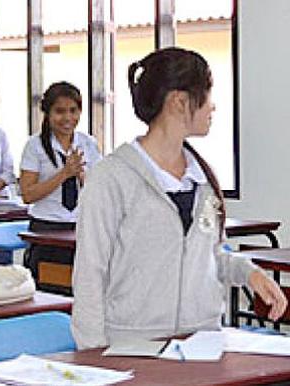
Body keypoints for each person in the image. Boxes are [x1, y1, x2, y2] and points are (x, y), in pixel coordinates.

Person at [71, 47, 287, 349]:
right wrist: (93, 354)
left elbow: (212, 254)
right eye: (207, 95)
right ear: (179, 101)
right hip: (132, 347)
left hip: (203, 345)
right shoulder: (112, 177)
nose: (213, 107)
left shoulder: (202, 179)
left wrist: (249, 273)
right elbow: (90, 274)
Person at [18, 82, 101, 292]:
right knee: (52, 292)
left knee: (83, 292)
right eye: (59, 111)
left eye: (73, 111)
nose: (67, 118)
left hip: (80, 228)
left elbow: (100, 191)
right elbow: (27, 194)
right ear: (47, 113)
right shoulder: (35, 146)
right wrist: (64, 174)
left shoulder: (88, 143)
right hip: (47, 230)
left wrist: (82, 176)